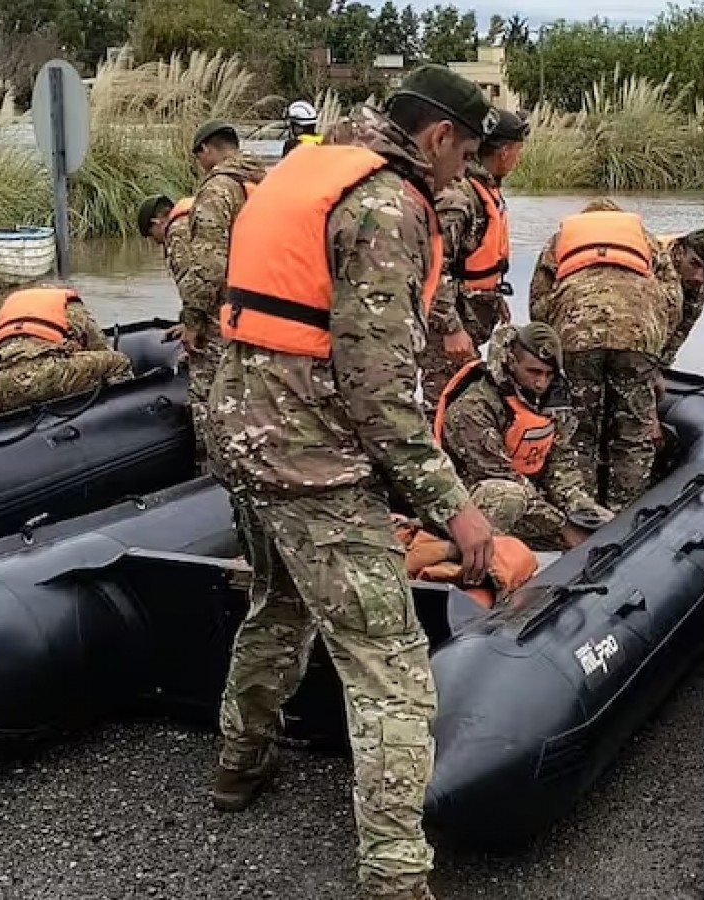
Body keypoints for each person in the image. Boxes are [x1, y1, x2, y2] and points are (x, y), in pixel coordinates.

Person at [208, 65, 498, 900]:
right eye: (466, 154)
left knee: (279, 605)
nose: (463, 173)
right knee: (390, 667)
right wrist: (455, 509)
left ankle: (240, 761)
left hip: (242, 438)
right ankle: (396, 878)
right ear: (440, 136)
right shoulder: (384, 205)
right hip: (312, 463)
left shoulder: (306, 166)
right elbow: (379, 391)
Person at [529, 200, 682, 511]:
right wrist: (657, 351)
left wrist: (554, 348)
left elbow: (539, 301)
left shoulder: (560, 240)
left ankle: (584, 515)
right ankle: (624, 513)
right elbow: (672, 297)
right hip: (637, 334)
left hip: (576, 335)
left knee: (578, 430)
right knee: (633, 434)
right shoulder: (645, 238)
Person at [433, 323, 612, 550]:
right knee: (508, 497)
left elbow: (561, 463)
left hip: (532, 498)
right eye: (533, 372)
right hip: (467, 500)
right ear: (512, 361)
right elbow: (500, 475)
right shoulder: (473, 408)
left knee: (600, 521)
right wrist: (562, 526)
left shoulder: (552, 402)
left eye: (549, 374)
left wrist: (581, 508)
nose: (541, 383)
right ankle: (468, 557)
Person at [423, 109, 530, 397]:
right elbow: (433, 266)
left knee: (460, 398)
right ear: (505, 152)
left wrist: (494, 298)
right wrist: (450, 328)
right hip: (447, 328)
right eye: (518, 151)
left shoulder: (484, 189)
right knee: (444, 403)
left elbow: (473, 258)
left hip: (470, 318)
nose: (518, 159)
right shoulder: (459, 197)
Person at [179, 120, 265, 471]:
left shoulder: (218, 190)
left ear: (207, 150)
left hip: (227, 312)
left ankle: (211, 474)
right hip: (267, 308)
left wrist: (192, 319)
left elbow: (208, 263)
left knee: (207, 394)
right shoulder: (263, 181)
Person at [0, 287, 134, 417]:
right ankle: (123, 412)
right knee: (119, 362)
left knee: (1, 388)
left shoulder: (11, 307)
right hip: (48, 373)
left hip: (1, 384)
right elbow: (100, 347)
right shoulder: (69, 304)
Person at [657, 229, 704, 366]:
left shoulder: (701, 283)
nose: (699, 277)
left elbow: (682, 329)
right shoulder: (655, 262)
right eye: (694, 264)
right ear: (680, 252)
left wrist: (662, 366)